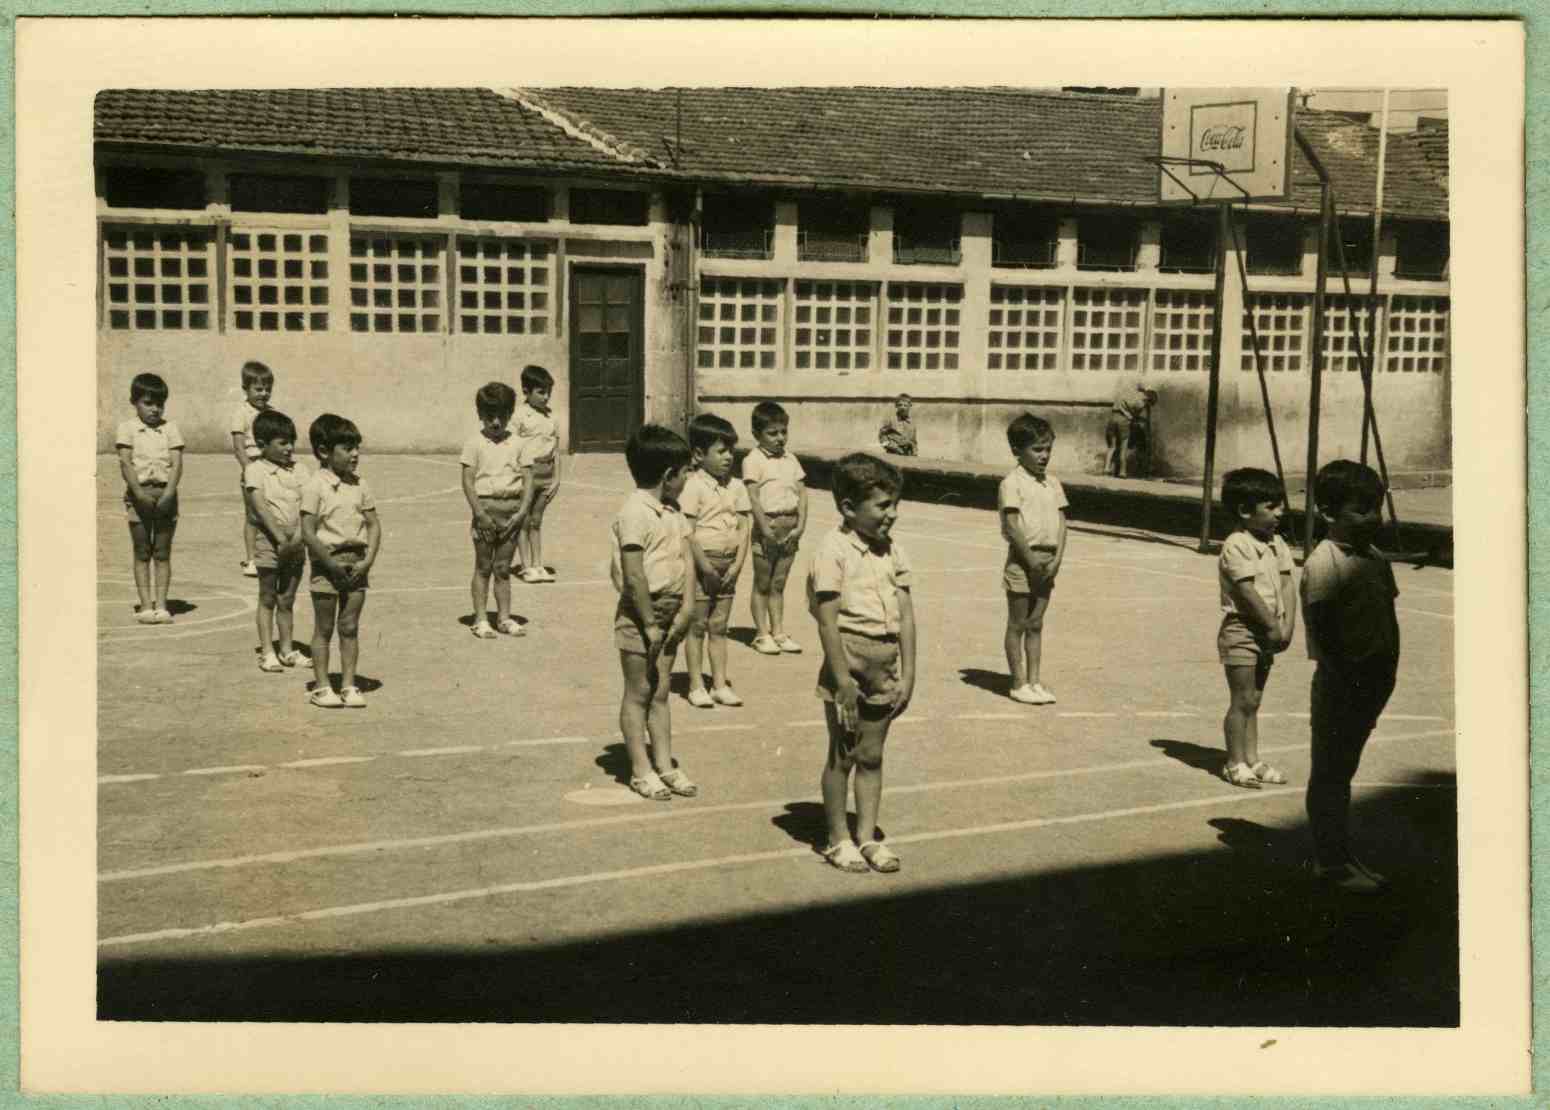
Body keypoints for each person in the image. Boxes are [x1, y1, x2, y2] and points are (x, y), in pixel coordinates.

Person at [808, 453, 916, 873]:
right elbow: (827, 621)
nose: (892, 514)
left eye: (894, 505)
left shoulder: (894, 551)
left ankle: (867, 837)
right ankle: (838, 839)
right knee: (843, 755)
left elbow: (906, 615)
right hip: (848, 663)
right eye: (882, 506)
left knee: (872, 755)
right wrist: (842, 681)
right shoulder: (833, 550)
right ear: (849, 508)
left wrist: (908, 674)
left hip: (885, 662)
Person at [1302, 460, 1401, 894]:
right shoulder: (1325, 563)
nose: (1373, 518)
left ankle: (1341, 853)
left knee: (1343, 769)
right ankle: (1330, 862)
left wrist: (1385, 673)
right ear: (1328, 512)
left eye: (1375, 508)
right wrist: (1349, 676)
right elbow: (1323, 628)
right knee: (1331, 774)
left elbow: (1388, 615)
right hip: (1343, 684)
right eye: (1360, 510)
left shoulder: (1373, 556)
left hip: (1372, 680)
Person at [611, 424, 699, 801]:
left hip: (671, 612)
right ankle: (640, 769)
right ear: (668, 476)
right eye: (685, 472)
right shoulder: (634, 512)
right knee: (639, 692)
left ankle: (664, 764)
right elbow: (633, 575)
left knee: (661, 690)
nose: (688, 478)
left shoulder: (673, 510)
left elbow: (686, 558)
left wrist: (688, 607)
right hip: (640, 615)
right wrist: (648, 623)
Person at [1216, 467, 1295, 788]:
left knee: (1255, 699)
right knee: (1241, 699)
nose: (1280, 512)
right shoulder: (1237, 544)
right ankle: (1234, 762)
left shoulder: (1278, 543)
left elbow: (1288, 583)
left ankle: (1253, 758)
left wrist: (1288, 624)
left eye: (1280, 505)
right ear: (1245, 511)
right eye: (1271, 507)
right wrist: (1272, 626)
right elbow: (1246, 591)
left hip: (1268, 630)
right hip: (1242, 630)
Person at [300, 414, 381, 709]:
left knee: (349, 627)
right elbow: (308, 532)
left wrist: (367, 561)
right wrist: (330, 564)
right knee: (324, 628)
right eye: (347, 448)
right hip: (327, 563)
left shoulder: (361, 485)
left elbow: (373, 525)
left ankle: (348, 684)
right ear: (324, 452)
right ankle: (322, 687)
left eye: (356, 447)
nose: (355, 454)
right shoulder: (315, 486)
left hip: (356, 563)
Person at [679, 413, 752, 709]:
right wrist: (705, 567)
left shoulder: (737, 487)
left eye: (730, 451)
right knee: (697, 626)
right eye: (720, 451)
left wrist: (736, 566)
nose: (728, 458)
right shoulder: (692, 486)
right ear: (698, 454)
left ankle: (720, 684)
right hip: (701, 567)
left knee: (719, 626)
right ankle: (697, 684)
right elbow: (688, 532)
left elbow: (745, 527)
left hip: (727, 567)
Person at [998, 413, 1067, 705]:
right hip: (1023, 561)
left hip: (1048, 560)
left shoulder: (1052, 483)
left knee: (1036, 623)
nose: (1044, 456)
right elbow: (1012, 527)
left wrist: (1057, 560)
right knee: (1018, 623)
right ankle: (1018, 682)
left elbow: (1063, 522)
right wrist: (1030, 560)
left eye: (1048, 449)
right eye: (1037, 449)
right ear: (1017, 450)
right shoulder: (1011, 483)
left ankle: (1035, 680)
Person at [461, 381, 531, 638]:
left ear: (510, 414)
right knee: (483, 566)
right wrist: (479, 514)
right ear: (480, 415)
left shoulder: (519, 444)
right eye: (490, 417)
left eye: (502, 416)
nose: (496, 423)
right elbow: (468, 481)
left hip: (511, 512)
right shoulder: (474, 443)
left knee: (503, 568)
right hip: (486, 511)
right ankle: (480, 619)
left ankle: (504, 617)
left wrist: (522, 512)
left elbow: (529, 480)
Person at [115, 372, 184, 624]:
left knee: (162, 552)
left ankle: (162, 606)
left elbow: (176, 464)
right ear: (135, 402)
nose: (155, 409)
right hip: (139, 494)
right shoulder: (127, 429)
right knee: (142, 551)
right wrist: (138, 494)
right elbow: (125, 463)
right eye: (148, 403)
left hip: (165, 495)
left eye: (160, 403)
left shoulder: (171, 429)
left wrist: (168, 494)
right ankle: (145, 606)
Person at [244, 410, 309, 672]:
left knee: (287, 598)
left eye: (291, 441)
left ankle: (286, 649)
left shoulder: (301, 470)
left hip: (297, 540)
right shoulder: (255, 470)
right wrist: (281, 539)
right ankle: (267, 652)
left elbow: (309, 505)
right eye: (282, 443)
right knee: (268, 596)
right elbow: (259, 507)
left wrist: (298, 538)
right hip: (270, 541)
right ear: (262, 445)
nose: (289, 448)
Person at [742, 400, 808, 655]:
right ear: (757, 434)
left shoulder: (791, 459)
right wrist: (765, 529)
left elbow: (802, 494)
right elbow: (753, 498)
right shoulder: (753, 460)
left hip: (789, 526)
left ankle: (778, 632)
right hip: (767, 526)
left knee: (779, 583)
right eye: (773, 433)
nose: (780, 438)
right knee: (762, 583)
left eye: (784, 432)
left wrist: (800, 526)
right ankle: (761, 634)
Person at [511, 364, 563, 583]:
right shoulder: (519, 416)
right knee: (523, 519)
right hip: (528, 473)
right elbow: (512, 447)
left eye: (548, 392)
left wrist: (557, 479)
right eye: (541, 392)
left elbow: (556, 450)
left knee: (537, 521)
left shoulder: (551, 417)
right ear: (526, 391)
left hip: (546, 474)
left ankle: (538, 564)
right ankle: (525, 566)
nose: (546, 397)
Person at [230, 360, 275, 576]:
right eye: (258, 389)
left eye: (267, 389)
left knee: (271, 511)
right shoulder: (241, 413)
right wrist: (250, 471)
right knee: (253, 516)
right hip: (252, 467)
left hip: (272, 469)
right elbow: (239, 448)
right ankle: (251, 559)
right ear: (245, 389)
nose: (264, 393)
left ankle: (268, 554)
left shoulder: (272, 413)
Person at [1105, 379, 1158, 478]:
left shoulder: (1128, 392)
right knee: (1123, 448)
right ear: (1148, 400)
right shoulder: (1140, 404)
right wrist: (1137, 418)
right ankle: (1122, 472)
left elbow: (1137, 387)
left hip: (1112, 417)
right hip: (1123, 422)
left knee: (1112, 447)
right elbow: (1134, 416)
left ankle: (1106, 468)